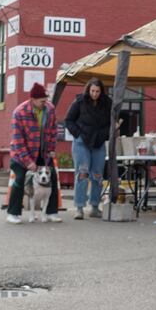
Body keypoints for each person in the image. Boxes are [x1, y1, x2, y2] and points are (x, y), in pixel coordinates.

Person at [6, 82, 60, 224]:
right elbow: (18, 140)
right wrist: (28, 162)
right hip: (21, 155)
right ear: (33, 100)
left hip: (43, 153)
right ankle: (13, 213)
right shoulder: (19, 112)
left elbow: (53, 131)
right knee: (20, 179)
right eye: (42, 101)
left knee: (52, 176)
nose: (45, 103)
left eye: (46, 100)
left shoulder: (50, 109)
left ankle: (51, 212)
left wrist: (52, 150)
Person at [63, 79, 111, 219]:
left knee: (97, 175)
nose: (94, 94)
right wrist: (78, 134)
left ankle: (95, 207)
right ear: (88, 90)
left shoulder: (107, 103)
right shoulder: (79, 101)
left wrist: (104, 135)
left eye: (97, 91)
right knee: (82, 174)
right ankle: (79, 207)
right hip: (81, 142)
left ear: (101, 91)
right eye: (92, 91)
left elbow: (112, 122)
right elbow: (68, 120)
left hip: (99, 143)